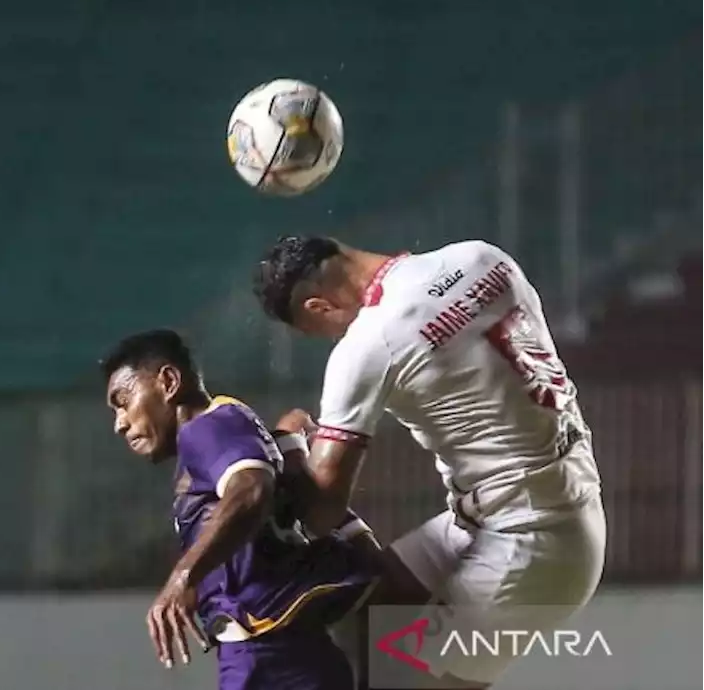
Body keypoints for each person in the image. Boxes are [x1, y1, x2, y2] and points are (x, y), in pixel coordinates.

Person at [252, 236, 606, 688]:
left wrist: (288, 442)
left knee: (397, 680)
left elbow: (321, 509)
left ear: (320, 307)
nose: (332, 338)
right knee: (357, 617)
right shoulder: (482, 256)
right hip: (535, 512)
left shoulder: (370, 342)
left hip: (528, 543)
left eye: (317, 331)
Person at [101, 328, 380, 690]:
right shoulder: (225, 429)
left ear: (169, 382)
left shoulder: (205, 428)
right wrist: (291, 445)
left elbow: (250, 488)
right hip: (283, 651)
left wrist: (184, 576)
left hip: (267, 655)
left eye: (123, 401)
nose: (119, 423)